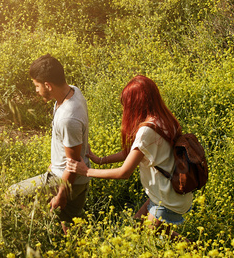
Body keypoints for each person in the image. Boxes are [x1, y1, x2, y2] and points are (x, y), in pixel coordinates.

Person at [66, 75, 194, 227]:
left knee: (147, 239)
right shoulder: (164, 119)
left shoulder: (147, 130)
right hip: (166, 192)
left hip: (167, 199)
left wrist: (86, 171)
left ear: (136, 104)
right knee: (139, 228)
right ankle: (197, 250)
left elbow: (124, 173)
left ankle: (197, 250)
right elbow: (133, 153)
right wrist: (100, 160)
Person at [7, 54, 90, 228]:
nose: (36, 91)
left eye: (37, 86)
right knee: (69, 226)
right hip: (78, 180)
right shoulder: (73, 91)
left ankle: (35, 227)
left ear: (48, 85)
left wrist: (61, 193)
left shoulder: (68, 117)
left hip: (66, 180)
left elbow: (73, 163)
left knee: (12, 194)